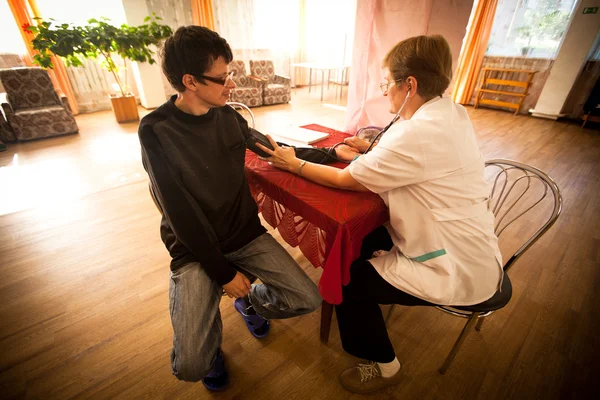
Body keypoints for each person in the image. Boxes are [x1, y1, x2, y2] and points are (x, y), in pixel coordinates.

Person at [258, 35, 503, 394]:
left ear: (410, 85)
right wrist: (371, 150)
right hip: (465, 238)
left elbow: (346, 179)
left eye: (387, 83)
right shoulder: (448, 111)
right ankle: (376, 293)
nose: (384, 90)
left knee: (346, 277)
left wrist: (294, 165)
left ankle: (384, 366)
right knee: (360, 238)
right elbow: (413, 157)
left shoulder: (418, 132)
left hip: (455, 263)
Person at [137, 26, 321, 391]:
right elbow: (180, 213)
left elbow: (272, 148)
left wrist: (333, 153)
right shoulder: (155, 129)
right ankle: (210, 349)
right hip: (193, 248)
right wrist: (222, 273)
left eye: (230, 74)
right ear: (190, 81)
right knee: (190, 365)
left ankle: (249, 300)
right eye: (222, 78)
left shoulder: (227, 116)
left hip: (242, 234)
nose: (232, 85)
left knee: (307, 298)